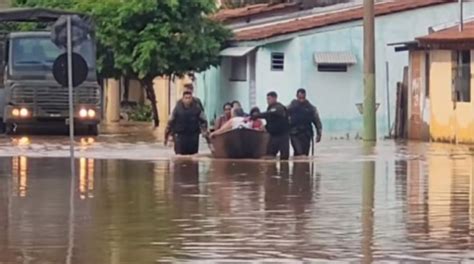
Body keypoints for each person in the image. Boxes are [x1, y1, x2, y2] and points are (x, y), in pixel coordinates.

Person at [253, 91, 290, 160]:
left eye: (269, 99)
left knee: (284, 158)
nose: (267, 101)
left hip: (283, 136)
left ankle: (284, 170)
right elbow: (272, 121)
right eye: (267, 99)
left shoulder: (279, 107)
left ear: (275, 98)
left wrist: (257, 115)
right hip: (273, 136)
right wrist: (265, 126)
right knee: (269, 156)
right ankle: (271, 170)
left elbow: (271, 113)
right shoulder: (269, 108)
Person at [287, 89, 322, 156]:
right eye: (300, 98)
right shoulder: (291, 106)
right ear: (297, 96)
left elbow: (317, 122)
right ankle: (298, 164)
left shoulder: (311, 108)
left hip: (306, 134)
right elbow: (283, 115)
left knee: (305, 154)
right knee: (299, 153)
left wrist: (319, 134)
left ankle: (302, 166)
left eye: (303, 98)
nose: (301, 100)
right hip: (294, 133)